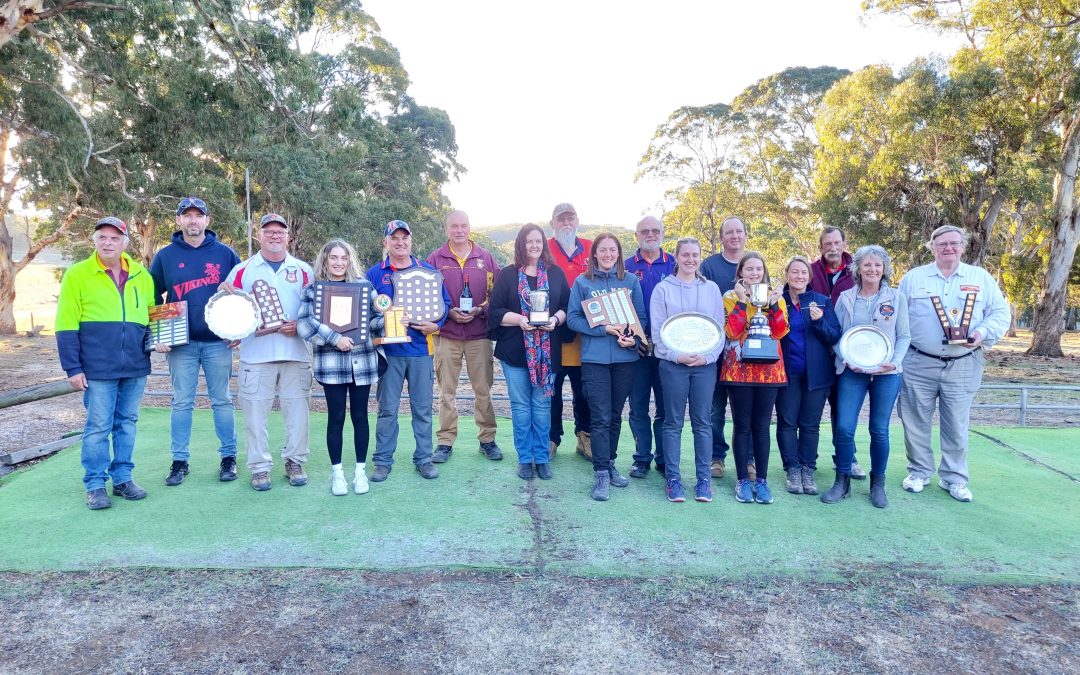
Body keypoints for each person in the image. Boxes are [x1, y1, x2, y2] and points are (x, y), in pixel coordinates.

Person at [897, 225, 1009, 503]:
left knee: (957, 423)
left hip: (963, 362)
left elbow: (1000, 313)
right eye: (942, 243)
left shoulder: (979, 277)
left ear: (963, 246)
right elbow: (898, 316)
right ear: (932, 246)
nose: (948, 248)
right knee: (914, 420)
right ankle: (919, 472)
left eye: (954, 243)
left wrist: (981, 333)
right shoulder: (914, 278)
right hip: (919, 361)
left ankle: (954, 478)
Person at [55, 216, 156, 509]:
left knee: (127, 423)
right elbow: (65, 324)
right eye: (103, 237)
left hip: (135, 365)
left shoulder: (142, 275)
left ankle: (123, 478)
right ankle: (95, 484)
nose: (108, 243)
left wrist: (159, 339)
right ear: (95, 241)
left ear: (125, 242)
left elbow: (150, 320)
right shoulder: (77, 274)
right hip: (98, 367)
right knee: (98, 426)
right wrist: (72, 368)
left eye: (114, 238)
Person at [149, 196, 241, 486]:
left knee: (222, 401)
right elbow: (154, 296)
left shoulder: (225, 254)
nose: (192, 220)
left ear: (207, 220)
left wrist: (238, 328)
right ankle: (179, 461)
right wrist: (159, 335)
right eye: (186, 215)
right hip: (180, 345)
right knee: (181, 403)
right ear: (178, 221)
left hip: (218, 342)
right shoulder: (165, 256)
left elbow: (241, 295)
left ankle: (229, 458)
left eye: (197, 215)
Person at [223, 213, 314, 491]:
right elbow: (229, 309)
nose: (275, 236)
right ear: (258, 236)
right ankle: (260, 467)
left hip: (295, 353)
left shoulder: (303, 270)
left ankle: (295, 461)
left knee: (298, 413)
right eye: (268, 232)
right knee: (254, 415)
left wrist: (298, 325)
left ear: (288, 237)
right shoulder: (242, 269)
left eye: (280, 232)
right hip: (256, 355)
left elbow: (315, 311)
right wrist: (230, 325)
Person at [822, 245, 909, 508]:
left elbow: (904, 336)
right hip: (852, 372)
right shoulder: (846, 297)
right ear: (857, 268)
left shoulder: (896, 298)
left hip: (886, 374)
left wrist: (892, 364)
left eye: (878, 265)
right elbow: (836, 335)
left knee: (879, 430)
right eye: (867, 265)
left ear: (884, 269)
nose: (872, 269)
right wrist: (845, 357)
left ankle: (878, 485)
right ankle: (842, 481)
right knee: (845, 427)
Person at [366, 219, 451, 482]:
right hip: (389, 354)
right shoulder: (374, 274)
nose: (400, 242)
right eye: (394, 238)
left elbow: (444, 304)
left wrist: (434, 325)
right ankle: (382, 461)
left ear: (411, 240)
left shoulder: (428, 271)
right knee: (388, 409)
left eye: (405, 238)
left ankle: (424, 458)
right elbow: (367, 313)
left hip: (420, 351)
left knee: (422, 409)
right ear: (386, 242)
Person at [298, 239, 381, 496]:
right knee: (336, 419)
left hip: (362, 362)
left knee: (360, 417)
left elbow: (377, 318)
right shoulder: (313, 290)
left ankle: (359, 473)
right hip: (332, 364)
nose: (338, 263)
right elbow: (304, 323)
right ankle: (338, 474)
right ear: (325, 259)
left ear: (350, 260)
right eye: (333, 257)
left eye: (343, 258)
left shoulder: (364, 287)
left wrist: (392, 319)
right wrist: (335, 338)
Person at [567, 233, 646, 501]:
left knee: (614, 416)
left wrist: (631, 339)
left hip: (625, 361)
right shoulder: (582, 282)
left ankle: (610, 464)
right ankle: (600, 473)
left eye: (613, 250)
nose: (608, 254)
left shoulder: (631, 281)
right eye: (603, 250)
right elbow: (573, 319)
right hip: (595, 360)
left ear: (619, 253)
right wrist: (603, 329)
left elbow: (640, 319)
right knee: (599, 417)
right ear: (595, 254)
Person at [489, 224, 570, 480]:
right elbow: (495, 312)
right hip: (515, 352)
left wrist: (555, 320)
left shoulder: (556, 274)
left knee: (543, 405)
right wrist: (519, 320)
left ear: (544, 244)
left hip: (547, 354)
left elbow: (567, 306)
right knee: (521, 407)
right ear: (520, 245)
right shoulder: (507, 275)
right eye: (528, 241)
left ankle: (542, 457)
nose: (533, 246)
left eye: (538, 241)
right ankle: (525, 458)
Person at [650, 237, 725, 502]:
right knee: (672, 423)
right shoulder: (662, 290)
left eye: (695, 255)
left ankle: (703, 481)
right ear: (677, 257)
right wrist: (676, 356)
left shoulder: (712, 289)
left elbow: (719, 329)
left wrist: (708, 357)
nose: (690, 260)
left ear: (699, 257)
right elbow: (657, 333)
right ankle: (673, 480)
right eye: (686, 255)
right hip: (673, 366)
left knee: (703, 422)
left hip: (705, 366)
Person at [426, 210, 502, 463]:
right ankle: (445, 442)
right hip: (447, 335)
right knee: (446, 391)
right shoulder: (435, 259)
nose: (459, 230)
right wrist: (448, 313)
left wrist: (481, 309)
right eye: (454, 226)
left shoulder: (486, 258)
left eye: (464, 226)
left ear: (470, 228)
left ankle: (487, 440)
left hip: (479, 335)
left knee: (483, 390)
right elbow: (427, 298)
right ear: (446, 229)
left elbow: (498, 295)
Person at [720, 252, 789, 504]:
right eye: (748, 269)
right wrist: (741, 302)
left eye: (758, 269)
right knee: (742, 425)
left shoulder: (775, 297)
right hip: (738, 369)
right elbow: (731, 331)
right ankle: (741, 480)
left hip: (770, 370)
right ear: (740, 273)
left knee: (761, 427)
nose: (754, 273)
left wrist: (772, 305)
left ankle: (761, 481)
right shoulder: (729, 297)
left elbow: (780, 332)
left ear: (764, 272)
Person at [775, 256, 841, 496]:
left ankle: (807, 469)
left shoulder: (821, 302)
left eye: (803, 272)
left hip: (817, 375)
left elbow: (834, 336)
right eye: (794, 272)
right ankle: (792, 469)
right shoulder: (777, 301)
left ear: (809, 277)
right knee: (787, 422)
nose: (799, 276)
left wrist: (820, 321)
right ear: (787, 275)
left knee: (810, 425)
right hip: (786, 374)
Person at [809, 225, 866, 480]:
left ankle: (847, 458)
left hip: (848, 352)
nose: (832, 248)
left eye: (836, 243)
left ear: (844, 243)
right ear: (821, 247)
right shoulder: (810, 271)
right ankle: (807, 460)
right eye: (827, 244)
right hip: (818, 351)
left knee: (842, 412)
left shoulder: (858, 270)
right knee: (811, 412)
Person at [625, 216, 676, 478]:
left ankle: (664, 459)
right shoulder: (625, 267)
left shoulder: (676, 264)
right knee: (638, 406)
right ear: (636, 235)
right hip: (638, 348)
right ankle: (641, 458)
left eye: (655, 230)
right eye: (644, 231)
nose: (650, 234)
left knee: (666, 407)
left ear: (662, 234)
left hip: (669, 349)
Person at [700, 215, 746, 479]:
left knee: (745, 412)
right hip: (716, 350)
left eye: (739, 231)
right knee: (715, 409)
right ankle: (716, 458)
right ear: (721, 237)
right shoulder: (709, 266)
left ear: (745, 235)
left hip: (746, 355)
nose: (734, 236)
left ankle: (748, 459)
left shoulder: (754, 263)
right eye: (729, 232)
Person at [547, 202, 593, 459]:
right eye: (561, 219)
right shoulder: (543, 247)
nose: (566, 223)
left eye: (570, 218)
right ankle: (551, 438)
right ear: (552, 223)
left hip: (585, 333)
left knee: (584, 390)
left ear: (577, 221)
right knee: (551, 389)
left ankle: (584, 437)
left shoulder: (590, 247)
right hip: (552, 332)